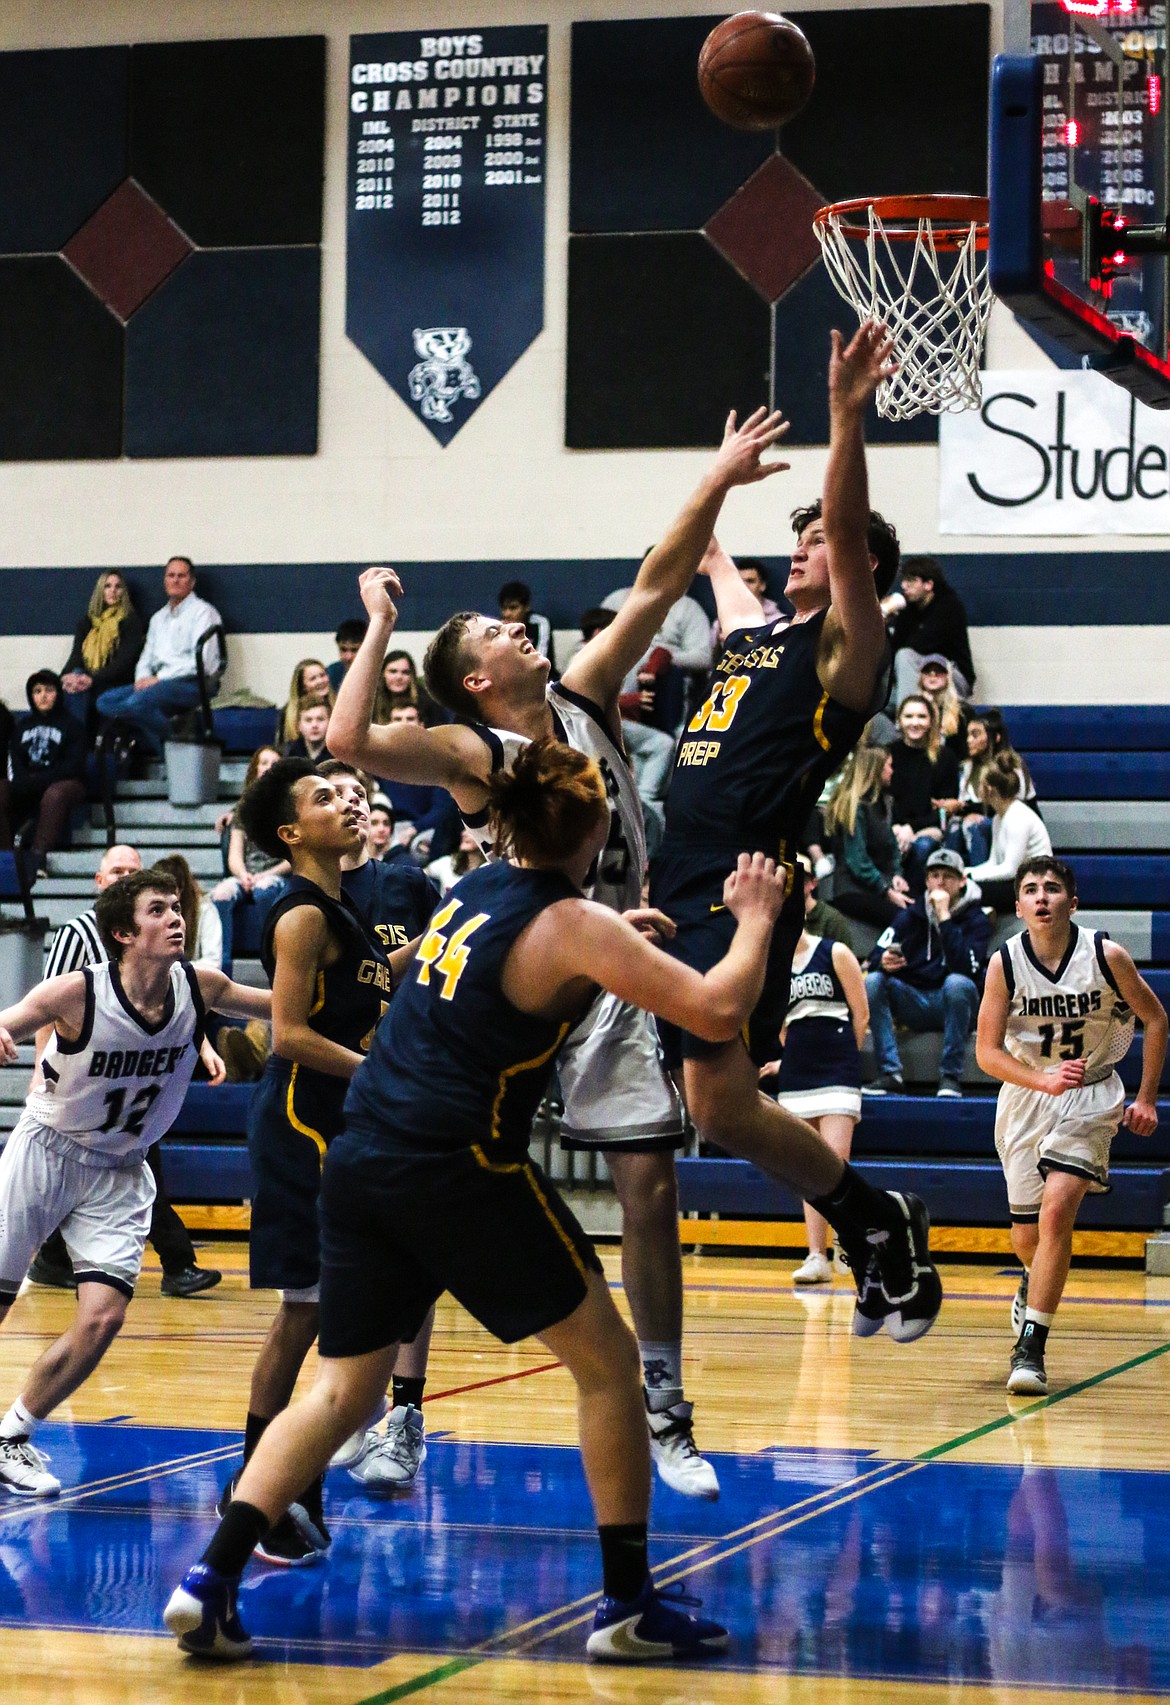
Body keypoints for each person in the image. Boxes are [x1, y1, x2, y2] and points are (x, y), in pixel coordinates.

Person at [164, 739, 786, 1662]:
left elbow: (479, 960)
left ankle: (210, 1578)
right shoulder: (575, 920)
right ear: (600, 825)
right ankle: (626, 1606)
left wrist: (617, 944)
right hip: (455, 1160)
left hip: (364, 1152)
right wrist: (755, 918)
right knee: (611, 1367)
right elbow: (717, 1009)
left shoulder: (471, 890)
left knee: (343, 1388)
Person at [329, 405, 797, 1502]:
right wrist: (379, 624)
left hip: (615, 959)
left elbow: (657, 580)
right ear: (475, 679)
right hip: (512, 970)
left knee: (648, 1180)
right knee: (434, 1179)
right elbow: (347, 742)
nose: (514, 628)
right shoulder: (473, 750)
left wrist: (719, 477)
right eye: (492, 636)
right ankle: (402, 1417)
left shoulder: (582, 694)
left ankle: (666, 1404)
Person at [648, 320, 941, 1343]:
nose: (805, 544)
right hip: (671, 870)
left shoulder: (846, 650)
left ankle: (870, 1221)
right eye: (802, 534)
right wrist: (718, 480)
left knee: (717, 1105)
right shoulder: (757, 627)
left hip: (742, 886)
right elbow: (702, 557)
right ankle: (876, 1220)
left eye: (822, 539)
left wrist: (846, 415)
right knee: (717, 1110)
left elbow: (851, 532)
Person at [0, 867, 270, 1496]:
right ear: (124, 932)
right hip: (50, 1150)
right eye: (158, 910)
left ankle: (13, 1434)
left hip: (123, 1166)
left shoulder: (199, 985)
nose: (176, 917)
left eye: (177, 908)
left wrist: (364, 987)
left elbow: (278, 1005)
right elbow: (13, 1017)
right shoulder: (77, 992)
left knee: (104, 1316)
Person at [219, 758, 396, 1564]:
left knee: (327, 1311)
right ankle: (266, 1490)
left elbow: (371, 983)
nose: (346, 802)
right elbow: (286, 1034)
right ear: (291, 834)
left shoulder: (341, 909)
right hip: (300, 1121)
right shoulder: (300, 915)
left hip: (335, 1118)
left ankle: (279, 1483)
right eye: (324, 797)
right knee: (306, 1310)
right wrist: (382, 1074)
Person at [976, 856, 1166, 1395]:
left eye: (1052, 889)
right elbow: (987, 1054)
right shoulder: (1004, 964)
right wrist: (1043, 1080)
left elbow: (1156, 1019)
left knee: (1059, 1209)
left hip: (1092, 1093)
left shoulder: (1106, 956)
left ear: (1072, 902)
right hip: (1027, 1095)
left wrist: (1147, 1098)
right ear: (1017, 907)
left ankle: (1030, 1348)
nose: (1041, 897)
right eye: (1031, 889)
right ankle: (1032, 1282)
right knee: (1026, 1236)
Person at [318, 758, 440, 1488]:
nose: (353, 804)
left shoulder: (408, 883)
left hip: (404, 1086)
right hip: (331, 1088)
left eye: (361, 793)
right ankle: (348, 1405)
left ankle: (404, 1413)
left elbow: (437, 973)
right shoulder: (305, 899)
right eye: (335, 794)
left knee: (413, 1251)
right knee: (337, 1266)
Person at [28, 844, 224, 1299]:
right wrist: (42, 1070)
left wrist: (205, 1046)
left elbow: (174, 1005)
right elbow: (49, 1007)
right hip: (83, 1079)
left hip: (136, 1075)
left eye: (133, 871)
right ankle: (177, 1263)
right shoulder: (79, 933)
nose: (124, 877)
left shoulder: (155, 936)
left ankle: (57, 1259)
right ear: (100, 883)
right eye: (116, 871)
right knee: (121, 1164)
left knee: (123, 1165)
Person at [760, 925, 868, 1285]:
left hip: (838, 1068)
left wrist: (842, 1059)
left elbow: (861, 1013)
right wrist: (785, 1061)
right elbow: (780, 1026)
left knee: (836, 1162)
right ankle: (816, 1255)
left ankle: (847, 1242)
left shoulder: (834, 952)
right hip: (798, 1075)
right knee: (806, 1167)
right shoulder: (771, 965)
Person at [863, 847, 992, 1099]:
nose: (940, 881)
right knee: (874, 980)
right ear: (925, 880)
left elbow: (967, 969)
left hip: (955, 1005)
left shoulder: (977, 919)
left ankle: (950, 1076)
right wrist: (884, 961)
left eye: (948, 876)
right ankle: (891, 1073)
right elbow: (874, 956)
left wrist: (944, 917)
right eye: (934, 875)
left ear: (963, 881)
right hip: (914, 1000)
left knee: (958, 984)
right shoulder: (910, 916)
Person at [96, 557, 222, 757]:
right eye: (171, 575)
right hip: (159, 685)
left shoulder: (203, 613)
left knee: (137, 703)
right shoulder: (158, 618)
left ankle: (173, 752)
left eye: (181, 576)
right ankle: (172, 736)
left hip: (193, 683)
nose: (175, 580)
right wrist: (141, 680)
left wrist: (159, 679)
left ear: (192, 582)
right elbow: (146, 658)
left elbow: (204, 663)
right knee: (105, 701)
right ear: (165, 581)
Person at [0, 671, 87, 880]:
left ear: (58, 693)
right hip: (29, 781)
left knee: (55, 793)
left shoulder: (73, 725)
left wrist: (39, 780)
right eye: (37, 691)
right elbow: (15, 760)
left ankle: (39, 857)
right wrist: (22, 780)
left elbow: (73, 766)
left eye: (49, 690)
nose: (43, 696)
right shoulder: (22, 726)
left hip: (67, 784)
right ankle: (6, 858)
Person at [821, 744, 909, 929]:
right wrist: (886, 892)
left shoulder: (882, 804)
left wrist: (896, 875)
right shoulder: (856, 807)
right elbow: (857, 860)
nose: (892, 771)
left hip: (879, 884)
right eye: (889, 766)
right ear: (875, 769)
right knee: (905, 920)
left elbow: (892, 847)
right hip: (853, 889)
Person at [888, 695, 959, 891]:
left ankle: (915, 904)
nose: (915, 722)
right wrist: (894, 828)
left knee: (922, 847)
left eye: (921, 716)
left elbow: (945, 809)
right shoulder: (888, 754)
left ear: (931, 721)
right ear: (899, 720)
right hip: (893, 828)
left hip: (930, 828)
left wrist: (911, 828)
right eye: (909, 716)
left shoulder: (945, 757)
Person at [967, 754, 1053, 913]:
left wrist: (970, 879)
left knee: (967, 892)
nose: (978, 790)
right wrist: (966, 872)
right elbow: (993, 863)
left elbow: (1010, 869)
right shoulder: (999, 818)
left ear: (989, 789)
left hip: (1035, 886)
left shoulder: (1017, 818)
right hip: (1018, 882)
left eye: (980, 785)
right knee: (961, 888)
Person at [884, 554, 975, 704]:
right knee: (879, 701)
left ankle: (906, 721)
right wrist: (884, 624)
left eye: (911, 581)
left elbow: (919, 646)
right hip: (922, 678)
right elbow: (892, 652)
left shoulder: (949, 607)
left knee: (905, 655)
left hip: (953, 677)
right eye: (904, 580)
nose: (904, 586)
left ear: (928, 585)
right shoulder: (909, 609)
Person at [60, 570, 145, 722]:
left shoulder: (130, 621)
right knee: (73, 681)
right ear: (101, 590)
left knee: (81, 687)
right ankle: (76, 741)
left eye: (118, 587)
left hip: (116, 681)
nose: (113, 591)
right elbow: (76, 656)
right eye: (107, 586)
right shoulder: (87, 622)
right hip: (87, 679)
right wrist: (65, 677)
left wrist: (91, 679)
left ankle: (79, 742)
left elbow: (123, 663)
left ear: (123, 592)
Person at [153, 854, 223, 971]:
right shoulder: (148, 912)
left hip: (194, 983)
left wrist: (174, 972)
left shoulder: (205, 910)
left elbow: (213, 962)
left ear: (180, 889)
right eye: (157, 890)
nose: (162, 896)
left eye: (169, 890)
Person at [710, 556, 782, 653]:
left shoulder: (779, 623)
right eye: (739, 581)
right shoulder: (721, 621)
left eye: (750, 581)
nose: (744, 586)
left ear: (762, 585)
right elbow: (712, 661)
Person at [372, 650, 442, 727]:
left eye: (405, 672)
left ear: (412, 676)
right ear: (382, 673)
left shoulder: (428, 701)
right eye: (393, 671)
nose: (399, 677)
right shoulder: (371, 702)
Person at [916, 655, 968, 757]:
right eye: (927, 671)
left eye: (939, 671)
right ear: (921, 677)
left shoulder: (963, 710)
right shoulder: (913, 708)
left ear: (948, 676)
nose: (933, 674)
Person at [499, 578, 556, 670]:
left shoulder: (540, 623)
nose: (507, 614)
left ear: (527, 607)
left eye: (513, 608)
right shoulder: (500, 627)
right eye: (504, 608)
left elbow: (540, 659)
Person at [278, 660, 334, 746]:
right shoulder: (287, 713)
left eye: (322, 675)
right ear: (302, 686)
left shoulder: (338, 706)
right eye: (313, 678)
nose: (320, 681)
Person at [425, 824, 487, 897]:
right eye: (464, 830)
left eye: (470, 831)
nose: (464, 834)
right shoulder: (447, 863)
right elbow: (417, 876)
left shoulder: (490, 869)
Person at [326, 618, 368, 694]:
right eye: (343, 649)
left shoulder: (384, 673)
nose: (348, 657)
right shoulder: (331, 673)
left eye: (354, 650)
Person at [281, 699, 331, 763]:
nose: (314, 725)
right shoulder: (289, 754)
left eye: (320, 719)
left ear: (330, 722)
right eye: (308, 720)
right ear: (298, 725)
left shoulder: (337, 754)